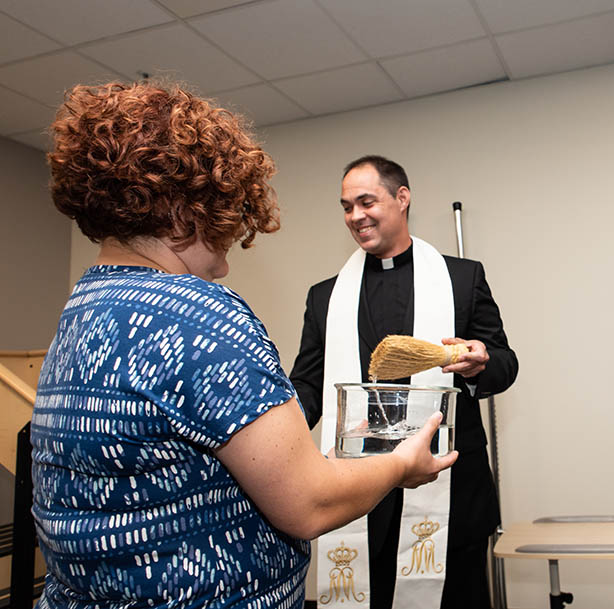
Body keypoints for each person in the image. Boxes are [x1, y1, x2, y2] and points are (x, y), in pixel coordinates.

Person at [32, 83, 456, 609]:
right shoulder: (201, 315)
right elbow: (308, 501)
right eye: (225, 221)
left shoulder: (80, 310)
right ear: (189, 211)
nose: (229, 256)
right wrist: (400, 465)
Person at [290, 155, 518, 609]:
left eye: (366, 201)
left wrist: (479, 363)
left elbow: (504, 364)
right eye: (346, 206)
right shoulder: (325, 297)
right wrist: (273, 428)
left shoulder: (461, 279)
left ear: (402, 198)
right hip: (361, 489)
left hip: (449, 489)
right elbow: (309, 387)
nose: (355, 216)